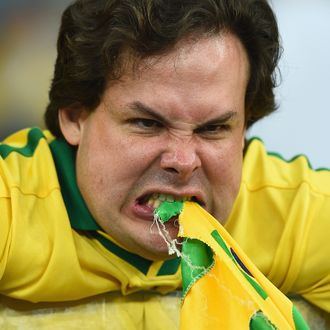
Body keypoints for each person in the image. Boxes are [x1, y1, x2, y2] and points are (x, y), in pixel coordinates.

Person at [0, 0, 329, 328]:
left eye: (213, 128)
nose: (184, 162)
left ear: (244, 129)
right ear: (75, 117)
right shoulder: (11, 204)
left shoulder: (298, 214)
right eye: (147, 123)